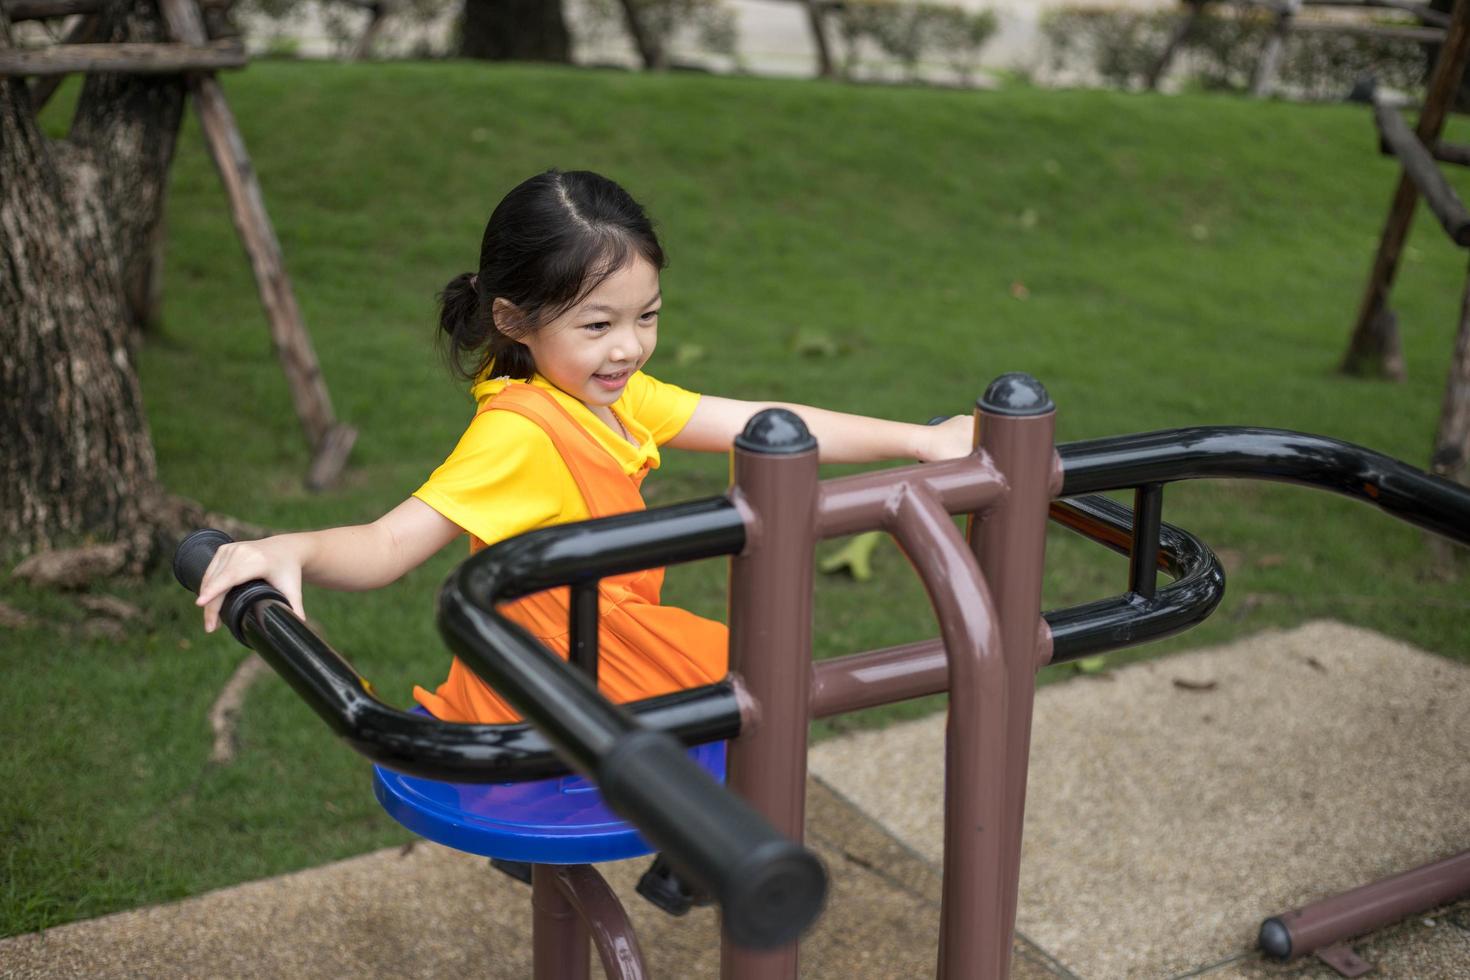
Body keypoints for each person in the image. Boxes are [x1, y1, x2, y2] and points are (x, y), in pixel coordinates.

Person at [196, 168, 974, 725]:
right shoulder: (519, 433)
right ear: (512, 320)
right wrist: (290, 549)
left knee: (764, 683)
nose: (629, 348)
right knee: (762, 685)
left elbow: (762, 422)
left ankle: (692, 845)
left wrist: (920, 440)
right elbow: (390, 543)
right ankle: (694, 847)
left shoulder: (614, 394)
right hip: (559, 679)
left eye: (648, 316)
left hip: (603, 648)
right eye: (597, 325)